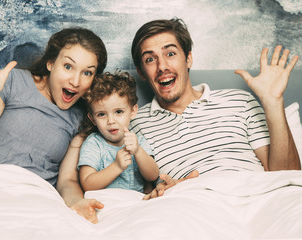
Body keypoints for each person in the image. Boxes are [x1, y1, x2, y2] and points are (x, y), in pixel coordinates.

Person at [129, 18, 301, 199]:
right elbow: (137, 189)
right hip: (189, 204)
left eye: (170, 54)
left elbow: (286, 174)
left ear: (188, 59)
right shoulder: (134, 124)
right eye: (150, 59)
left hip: (257, 197)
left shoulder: (240, 101)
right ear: (141, 72)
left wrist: (273, 102)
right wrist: (162, 191)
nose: (162, 66)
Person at [0, 27, 107, 223]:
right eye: (68, 66)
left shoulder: (80, 118)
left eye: (87, 73)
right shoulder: (13, 81)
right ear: (51, 63)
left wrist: (76, 202)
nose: (75, 81)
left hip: (33, 200)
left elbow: (67, 180)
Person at [77, 72, 159, 193]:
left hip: (136, 202)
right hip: (107, 202)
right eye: (101, 114)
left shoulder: (138, 141)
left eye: (119, 112)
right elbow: (87, 184)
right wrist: (117, 166)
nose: (111, 121)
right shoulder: (94, 143)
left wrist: (138, 151)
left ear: (132, 111)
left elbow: (153, 176)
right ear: (92, 119)